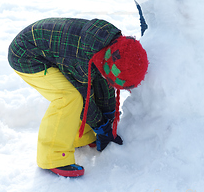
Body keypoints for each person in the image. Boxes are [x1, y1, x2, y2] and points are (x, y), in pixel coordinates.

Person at [8, 17, 148, 177]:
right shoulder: (80, 59)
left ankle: (80, 137)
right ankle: (53, 157)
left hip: (52, 51)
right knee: (70, 97)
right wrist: (101, 125)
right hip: (26, 55)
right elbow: (84, 97)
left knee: (83, 91)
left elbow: (103, 82)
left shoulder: (113, 49)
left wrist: (108, 118)